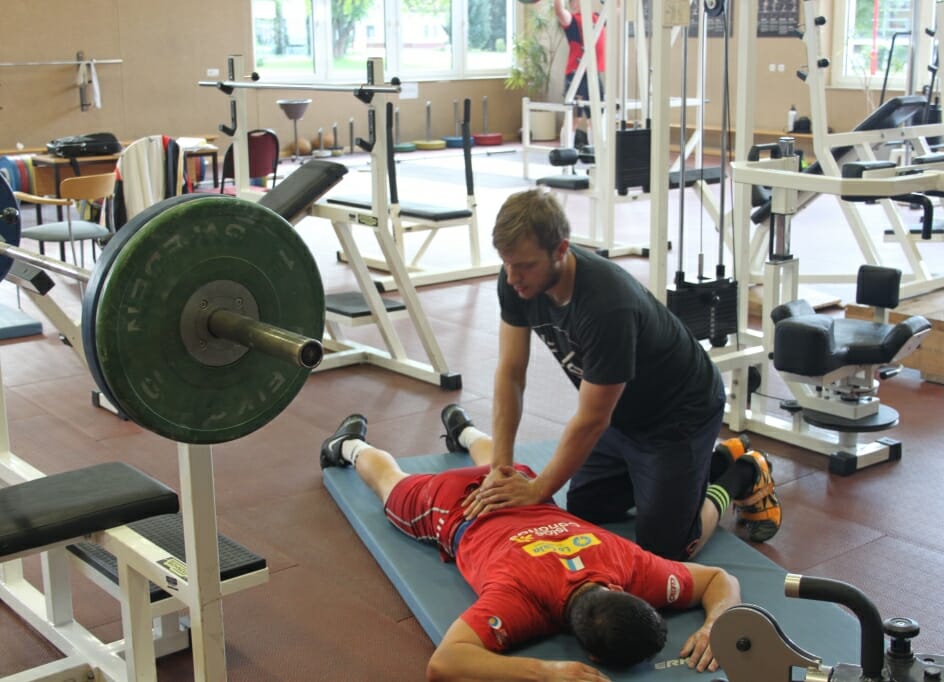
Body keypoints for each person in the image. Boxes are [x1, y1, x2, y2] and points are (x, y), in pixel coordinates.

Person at [462, 189, 781, 562]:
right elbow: (511, 373)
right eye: (507, 263)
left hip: (678, 415)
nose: (514, 277)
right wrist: (499, 469)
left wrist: (535, 491)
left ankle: (739, 471)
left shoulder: (605, 305)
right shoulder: (517, 280)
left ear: (561, 249)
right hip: (623, 415)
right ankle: (697, 468)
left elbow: (592, 419)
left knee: (668, 549)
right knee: (586, 508)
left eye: (526, 265)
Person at [320, 411, 742, 680]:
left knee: (499, 464)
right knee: (390, 484)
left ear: (621, 592)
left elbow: (719, 582)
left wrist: (716, 622)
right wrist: (546, 671)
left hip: (520, 489)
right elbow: (443, 665)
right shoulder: (518, 600)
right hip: (451, 506)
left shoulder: (627, 564)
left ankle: (464, 430)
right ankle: (349, 447)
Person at [554, 0, 606, 150]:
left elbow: (617, 9)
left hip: (593, 74)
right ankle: (566, 158)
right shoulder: (572, 20)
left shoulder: (597, 18)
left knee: (596, 117)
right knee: (573, 118)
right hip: (576, 75)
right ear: (573, 5)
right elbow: (559, 11)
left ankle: (596, 157)